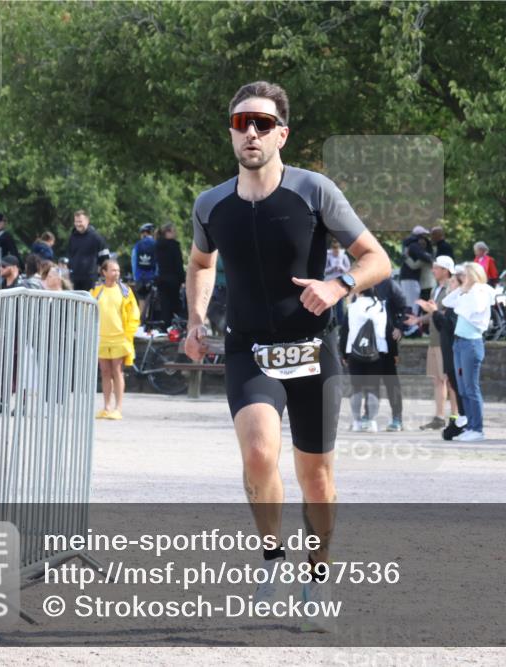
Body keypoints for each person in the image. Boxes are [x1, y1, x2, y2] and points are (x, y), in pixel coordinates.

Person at [183, 80, 390, 628]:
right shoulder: (211, 204)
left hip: (312, 349)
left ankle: (318, 574)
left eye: (263, 124)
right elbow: (202, 263)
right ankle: (273, 558)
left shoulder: (314, 191)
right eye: (241, 122)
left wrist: (338, 286)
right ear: (231, 132)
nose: (251, 131)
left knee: (316, 475)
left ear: (282, 134)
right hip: (250, 348)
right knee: (257, 455)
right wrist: (196, 319)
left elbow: (377, 258)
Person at [442, 262, 494, 441]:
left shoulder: (480, 291)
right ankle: (471, 426)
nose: (463, 278)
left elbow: (473, 310)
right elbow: (446, 301)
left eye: (465, 275)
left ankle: (477, 428)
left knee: (471, 388)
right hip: (459, 343)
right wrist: (461, 290)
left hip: (471, 343)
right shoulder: (466, 292)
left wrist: (464, 296)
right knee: (463, 388)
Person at [406, 255, 459, 431]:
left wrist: (431, 312)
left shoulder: (453, 289)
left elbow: (447, 315)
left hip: (446, 340)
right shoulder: (436, 289)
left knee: (450, 380)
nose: (433, 270)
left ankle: (455, 416)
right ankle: (439, 417)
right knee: (437, 380)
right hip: (434, 339)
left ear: (445, 270)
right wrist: (419, 319)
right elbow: (434, 314)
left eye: (436, 267)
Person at [90, 259, 140, 421]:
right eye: (112, 270)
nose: (116, 273)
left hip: (119, 337)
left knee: (117, 371)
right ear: (104, 272)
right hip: (102, 337)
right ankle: (106, 407)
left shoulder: (125, 291)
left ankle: (118, 408)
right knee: (104, 372)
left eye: (117, 270)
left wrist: (128, 335)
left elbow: (134, 314)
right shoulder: (97, 291)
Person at [340, 288, 387, 432]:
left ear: (359, 290)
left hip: (355, 351)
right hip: (377, 351)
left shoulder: (353, 307)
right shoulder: (381, 305)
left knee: (356, 388)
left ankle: (357, 422)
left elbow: (345, 330)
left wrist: (343, 353)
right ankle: (371, 421)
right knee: (373, 388)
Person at [432, 264, 468, 440]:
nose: (450, 285)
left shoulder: (460, 303)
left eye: (453, 282)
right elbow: (442, 327)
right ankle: (461, 420)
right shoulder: (452, 304)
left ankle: (465, 421)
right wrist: (435, 314)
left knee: (460, 387)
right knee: (454, 384)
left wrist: (435, 313)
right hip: (449, 351)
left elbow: (451, 326)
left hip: (456, 351)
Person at [373, 276, 408, 431]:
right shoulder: (361, 284)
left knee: (390, 381)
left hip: (386, 342)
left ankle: (397, 418)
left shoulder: (389, 284)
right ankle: (367, 417)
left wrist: (399, 327)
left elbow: (404, 308)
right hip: (366, 343)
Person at [66, 210, 109, 291]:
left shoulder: (96, 238)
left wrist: (102, 275)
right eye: (76, 222)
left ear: (87, 221)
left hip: (91, 279)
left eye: (80, 221)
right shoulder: (72, 237)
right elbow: (70, 255)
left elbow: (105, 259)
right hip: (75, 278)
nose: (78, 224)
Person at [399, 226, 434, 325]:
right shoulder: (424, 254)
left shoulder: (412, 248)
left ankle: (412, 325)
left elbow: (414, 265)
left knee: (415, 304)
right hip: (419, 282)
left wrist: (405, 257)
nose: (424, 240)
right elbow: (415, 266)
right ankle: (412, 326)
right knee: (413, 303)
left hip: (422, 283)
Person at [154, 223, 186, 330]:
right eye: (173, 231)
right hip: (173, 279)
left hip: (161, 278)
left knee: (164, 304)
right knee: (174, 302)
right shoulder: (174, 245)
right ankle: (174, 327)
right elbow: (178, 264)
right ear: (168, 232)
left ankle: (164, 325)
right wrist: (183, 279)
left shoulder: (157, 245)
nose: (175, 233)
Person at [132, 223, 158, 321]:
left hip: (140, 277)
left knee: (141, 301)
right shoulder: (155, 244)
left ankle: (140, 323)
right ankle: (150, 323)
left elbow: (134, 262)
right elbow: (157, 262)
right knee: (152, 302)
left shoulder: (137, 245)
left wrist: (136, 277)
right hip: (151, 277)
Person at [324, 239, 351, 325]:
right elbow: (324, 270)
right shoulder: (328, 256)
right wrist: (332, 268)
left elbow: (348, 270)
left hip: (341, 283)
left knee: (339, 303)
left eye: (337, 247)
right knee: (330, 303)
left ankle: (340, 322)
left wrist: (341, 267)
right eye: (334, 248)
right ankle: (329, 321)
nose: (336, 250)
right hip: (330, 282)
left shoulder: (344, 257)